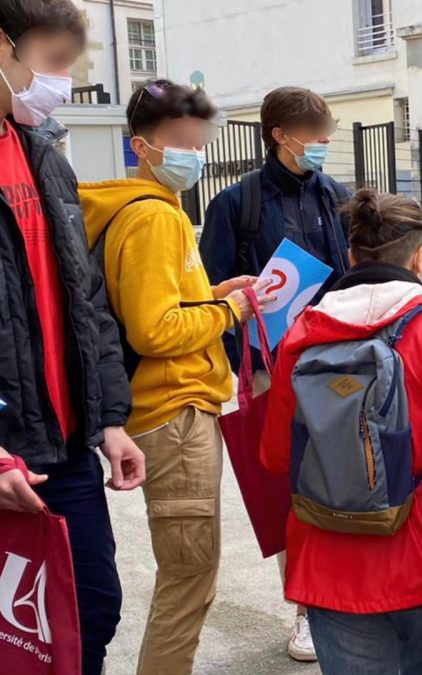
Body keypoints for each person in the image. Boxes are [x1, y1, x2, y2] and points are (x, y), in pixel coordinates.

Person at [260, 189, 422, 675]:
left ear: (350, 255)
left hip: (329, 554)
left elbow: (278, 454)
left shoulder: (303, 330)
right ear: (420, 256)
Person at [79, 79, 268, 675]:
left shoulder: (130, 210)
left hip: (162, 409)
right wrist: (230, 312)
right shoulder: (155, 218)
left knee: (185, 575)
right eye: (180, 141)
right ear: (142, 146)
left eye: (199, 140)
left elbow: (153, 304)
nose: (194, 152)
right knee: (188, 581)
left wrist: (211, 294)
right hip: (175, 411)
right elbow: (155, 332)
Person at [0, 3, 145, 673]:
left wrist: (111, 418)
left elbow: (85, 301)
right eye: (54, 62)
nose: (62, 82)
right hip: (6, 458)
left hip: (66, 448)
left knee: (90, 609)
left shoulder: (44, 158)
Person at [199, 86, 352, 660]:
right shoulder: (238, 204)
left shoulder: (336, 195)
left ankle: (344, 594)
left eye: (327, 130)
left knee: (349, 478)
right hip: (272, 371)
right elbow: (209, 298)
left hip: (340, 364)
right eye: (313, 133)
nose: (324, 142)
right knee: (290, 490)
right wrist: (250, 334)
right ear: (279, 136)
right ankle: (305, 609)